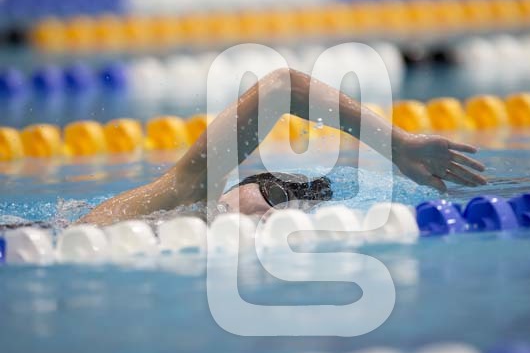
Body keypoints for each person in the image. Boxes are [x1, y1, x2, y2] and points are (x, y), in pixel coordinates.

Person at [79, 68, 486, 226]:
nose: (267, 213)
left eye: (277, 210)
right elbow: (283, 87)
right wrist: (397, 145)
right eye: (272, 193)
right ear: (237, 186)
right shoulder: (191, 191)